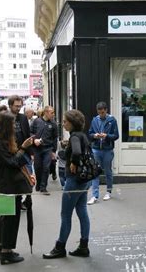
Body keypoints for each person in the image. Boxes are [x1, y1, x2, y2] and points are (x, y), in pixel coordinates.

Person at [43, 109, 91, 259]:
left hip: (74, 180)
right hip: (85, 179)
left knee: (65, 215)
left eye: (65, 121)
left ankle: (60, 247)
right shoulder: (82, 135)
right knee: (82, 211)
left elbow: (76, 152)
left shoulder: (75, 136)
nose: (62, 123)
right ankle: (84, 246)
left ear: (72, 123)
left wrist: (73, 162)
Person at [0, 112, 35, 265]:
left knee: (6, 216)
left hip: (8, 183)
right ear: (5, 126)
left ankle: (2, 247)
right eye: (12, 124)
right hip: (8, 185)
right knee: (10, 218)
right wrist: (23, 147)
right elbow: (13, 162)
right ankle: (6, 253)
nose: (15, 127)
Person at [87, 102, 119, 204]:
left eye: (103, 112)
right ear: (97, 111)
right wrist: (95, 136)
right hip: (96, 148)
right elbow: (90, 133)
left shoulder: (112, 120)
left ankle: (108, 191)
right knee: (95, 171)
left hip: (107, 149)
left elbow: (116, 135)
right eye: (100, 113)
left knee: (108, 171)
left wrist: (107, 136)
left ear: (106, 110)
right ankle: (94, 195)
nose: (102, 114)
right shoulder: (94, 120)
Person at [30, 106, 58, 195]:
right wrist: (34, 140)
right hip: (37, 149)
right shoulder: (36, 121)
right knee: (37, 167)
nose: (53, 114)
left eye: (53, 112)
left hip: (48, 148)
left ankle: (43, 187)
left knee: (46, 168)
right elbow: (30, 132)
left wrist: (54, 151)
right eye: (51, 113)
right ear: (45, 113)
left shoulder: (53, 124)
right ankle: (38, 183)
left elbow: (55, 138)